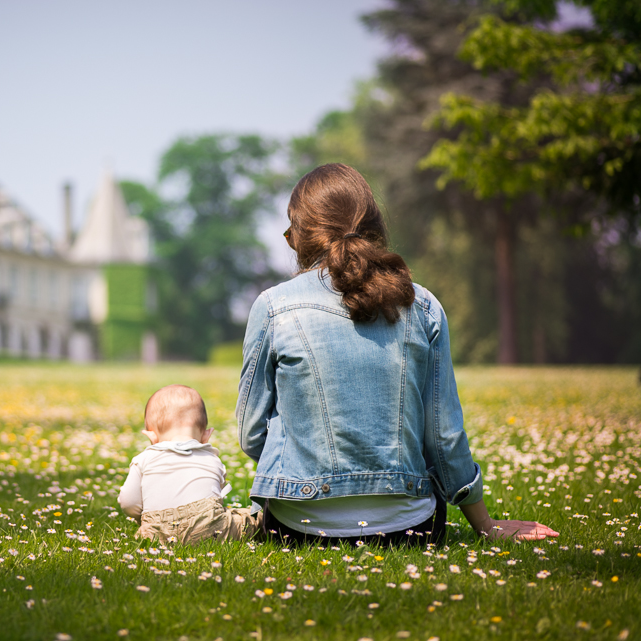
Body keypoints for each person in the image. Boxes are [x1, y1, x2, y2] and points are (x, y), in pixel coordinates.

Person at [236, 163, 558, 546]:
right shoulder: (421, 305)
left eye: (291, 235)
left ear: (302, 237)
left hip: (300, 526)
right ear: (373, 226)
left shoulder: (273, 306)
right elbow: (443, 437)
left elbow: (251, 432)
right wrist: (485, 523)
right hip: (409, 529)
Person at [119, 384, 261, 544]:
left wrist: (148, 517)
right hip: (210, 530)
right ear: (206, 435)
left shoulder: (143, 459)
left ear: (151, 436)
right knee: (251, 518)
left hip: (156, 535)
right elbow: (216, 499)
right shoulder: (212, 458)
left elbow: (128, 502)